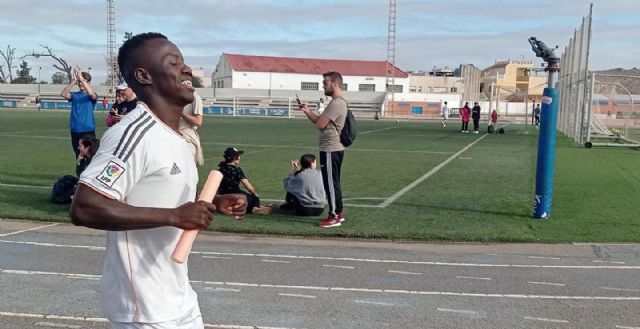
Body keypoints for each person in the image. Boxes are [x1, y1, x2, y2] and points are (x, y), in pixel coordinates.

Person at [70, 32, 247, 329]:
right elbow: (85, 207)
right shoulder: (133, 134)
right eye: (173, 63)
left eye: (184, 62)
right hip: (144, 308)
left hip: (179, 297)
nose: (186, 69)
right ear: (144, 75)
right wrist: (175, 216)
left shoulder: (176, 136)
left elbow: (161, 197)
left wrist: (211, 203)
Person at [299, 71, 348, 228]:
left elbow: (320, 124)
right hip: (333, 148)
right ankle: (338, 213)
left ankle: (334, 215)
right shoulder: (336, 103)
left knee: (330, 184)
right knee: (333, 182)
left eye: (325, 83)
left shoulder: (336, 103)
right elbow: (320, 121)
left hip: (330, 148)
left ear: (334, 84)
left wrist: (317, 117)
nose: (323, 86)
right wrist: (307, 110)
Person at [217, 147, 272, 215]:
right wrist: (255, 193)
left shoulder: (220, 169)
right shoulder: (237, 169)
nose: (239, 158)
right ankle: (255, 209)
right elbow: (247, 186)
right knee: (254, 198)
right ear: (234, 158)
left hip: (223, 196)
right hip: (235, 194)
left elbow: (216, 186)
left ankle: (256, 206)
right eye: (238, 156)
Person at [60, 65, 97, 158]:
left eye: (83, 82)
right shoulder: (74, 95)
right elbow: (63, 94)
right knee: (78, 156)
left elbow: (91, 94)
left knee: (90, 155)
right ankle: (80, 172)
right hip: (75, 130)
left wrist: (82, 78)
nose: (81, 84)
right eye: (79, 82)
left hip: (88, 130)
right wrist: (74, 80)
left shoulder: (91, 95)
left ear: (89, 82)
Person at [180, 79, 204, 166]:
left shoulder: (195, 98)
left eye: (189, 83)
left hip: (187, 136)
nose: (187, 85)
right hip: (171, 135)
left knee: (188, 167)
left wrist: (181, 113)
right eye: (183, 82)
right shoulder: (172, 97)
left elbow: (198, 121)